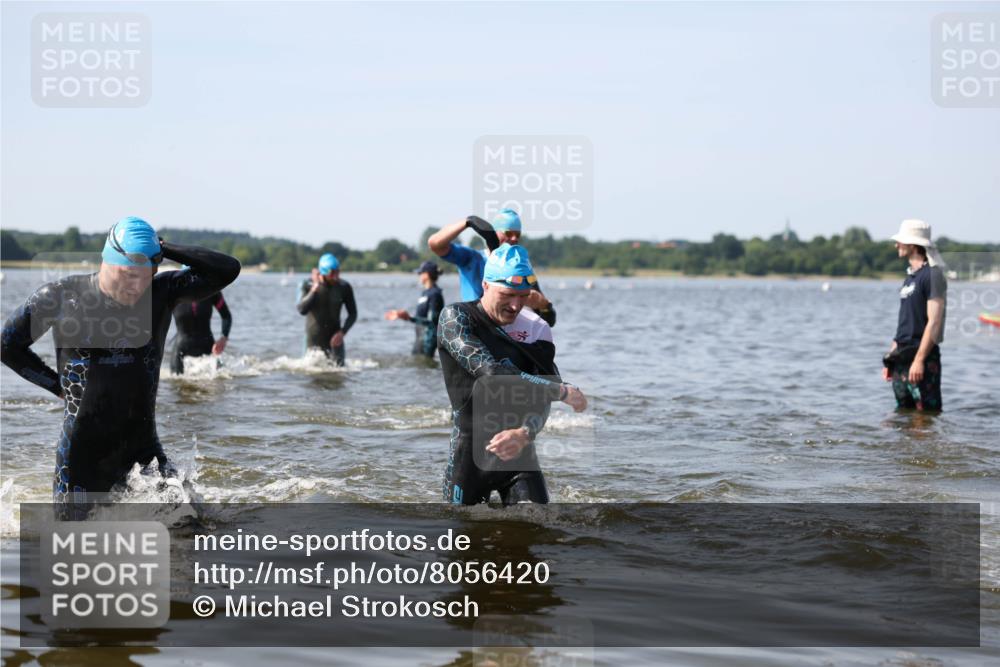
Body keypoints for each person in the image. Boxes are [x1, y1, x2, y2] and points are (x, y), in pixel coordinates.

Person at [0, 217, 241, 503]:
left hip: (143, 449)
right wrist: (57, 386)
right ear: (108, 261)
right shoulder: (61, 298)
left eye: (146, 274)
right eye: (128, 274)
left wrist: (164, 248)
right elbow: (7, 346)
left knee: (194, 532)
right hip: (82, 457)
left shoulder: (162, 293)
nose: (137, 285)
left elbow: (227, 270)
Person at [437, 243, 586, 506]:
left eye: (523, 295)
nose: (516, 305)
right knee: (459, 538)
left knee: (536, 530)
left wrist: (524, 433)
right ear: (485, 285)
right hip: (468, 458)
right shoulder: (457, 318)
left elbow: (543, 396)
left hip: (520, 454)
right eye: (507, 294)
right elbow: (492, 372)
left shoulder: (536, 328)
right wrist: (560, 391)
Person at [427, 209, 557, 326]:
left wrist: (544, 305)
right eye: (508, 232)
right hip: (475, 327)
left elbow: (550, 321)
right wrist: (468, 222)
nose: (513, 238)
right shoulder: (472, 258)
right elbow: (435, 244)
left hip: (507, 335)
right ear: (494, 232)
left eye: (517, 235)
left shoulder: (521, 270)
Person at [881, 219, 947, 412]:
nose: (896, 245)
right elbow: (905, 322)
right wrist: (891, 359)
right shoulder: (910, 277)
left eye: (900, 241)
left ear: (912, 244)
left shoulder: (933, 275)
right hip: (902, 356)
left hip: (922, 357)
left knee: (925, 416)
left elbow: (934, 322)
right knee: (902, 414)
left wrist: (919, 360)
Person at [296, 252, 357, 366]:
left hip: (335, 340)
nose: (336, 276)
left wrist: (342, 332)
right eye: (332, 273)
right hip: (312, 340)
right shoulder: (307, 285)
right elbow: (301, 309)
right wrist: (314, 289)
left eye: (337, 272)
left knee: (339, 371)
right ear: (323, 272)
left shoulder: (344, 287)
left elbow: (353, 314)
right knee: (309, 374)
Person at [384, 260, 445, 358]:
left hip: (428, 340)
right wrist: (404, 316)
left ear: (426, 275)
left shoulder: (435, 294)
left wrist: (409, 318)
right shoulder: (425, 293)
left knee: (423, 363)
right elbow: (420, 317)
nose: (419, 276)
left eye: (420, 273)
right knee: (417, 364)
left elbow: (433, 321)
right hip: (420, 336)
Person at [169, 287, 232, 374]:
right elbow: (158, 318)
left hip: (208, 346)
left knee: (220, 379)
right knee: (175, 381)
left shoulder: (210, 289)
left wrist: (223, 338)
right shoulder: (172, 291)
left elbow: (226, 316)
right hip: (180, 349)